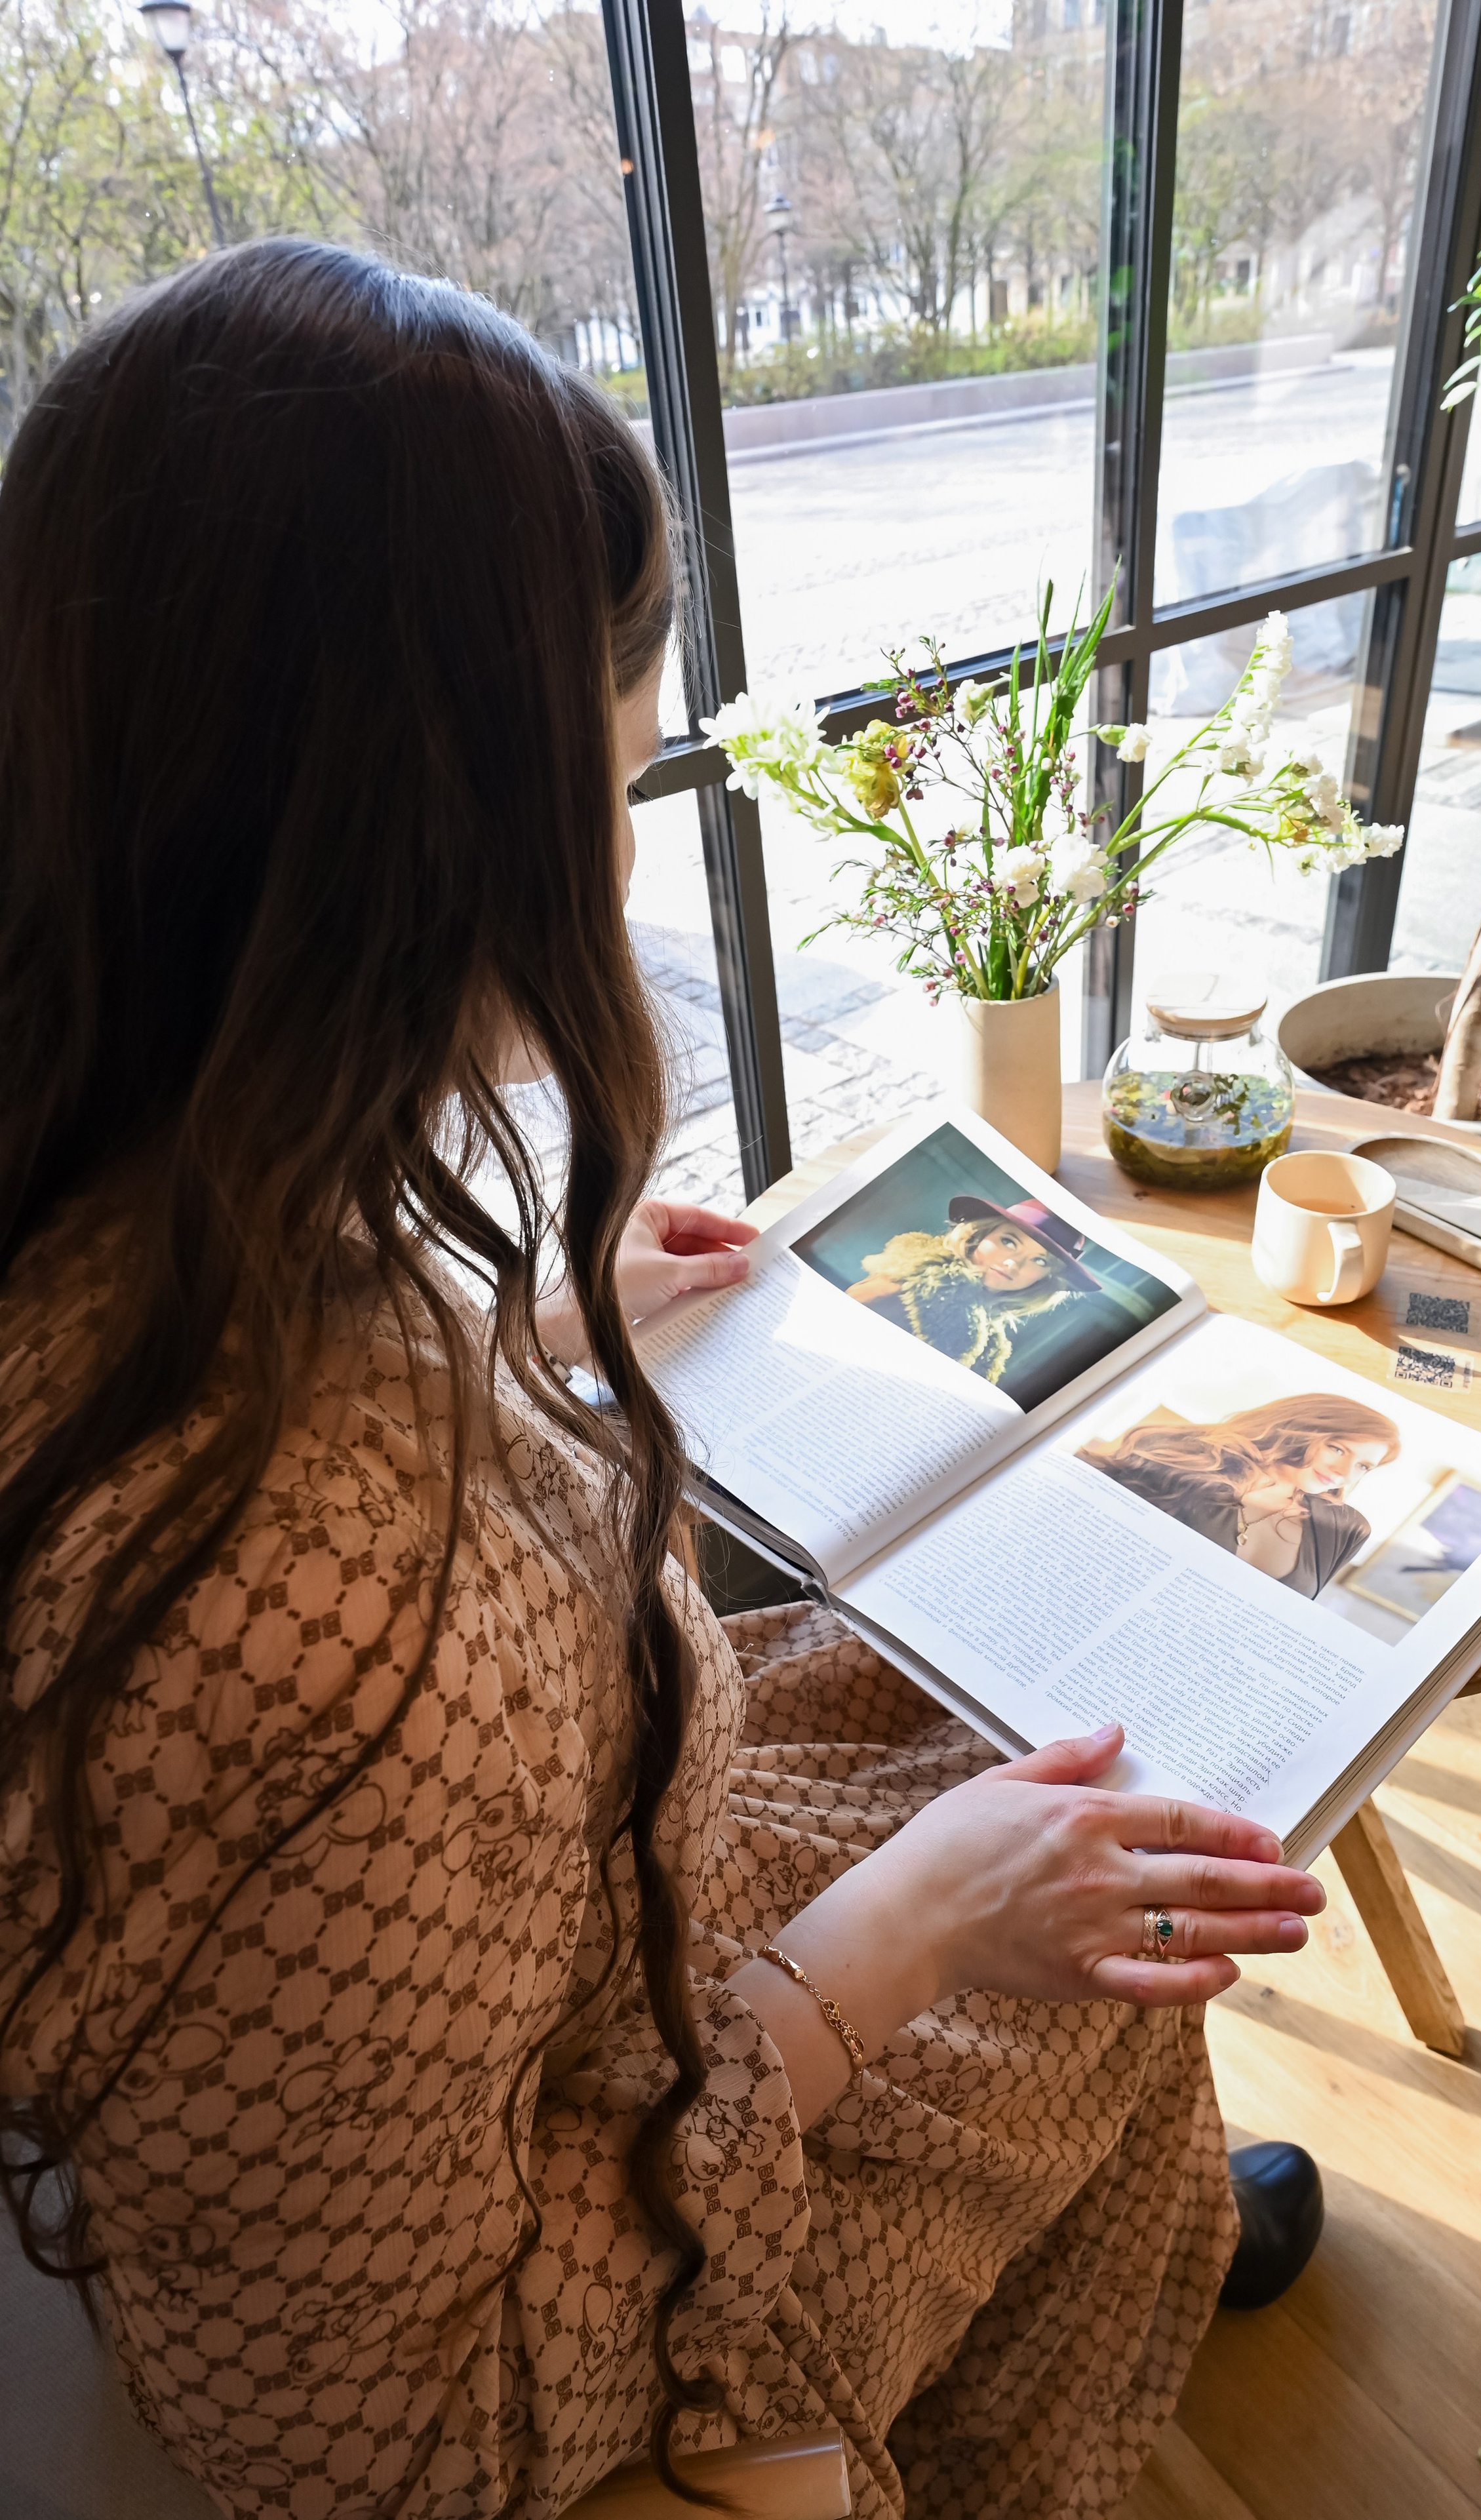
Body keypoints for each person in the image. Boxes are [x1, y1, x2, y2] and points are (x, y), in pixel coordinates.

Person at [0, 241, 1327, 2520]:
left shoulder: (116, 1167)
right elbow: (391, 2438)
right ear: (412, 858)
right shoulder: (312, 1623)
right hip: (586, 2214)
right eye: (605, 791)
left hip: (594, 1901)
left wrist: (497, 1318)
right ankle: (1044, 2359)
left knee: (1072, 1772)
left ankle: (1124, 2237)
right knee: (1112, 1908)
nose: (619, 863)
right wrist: (902, 1933)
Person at [1082, 1396, 1402, 1599]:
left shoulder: (1342, 1529)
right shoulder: (1182, 1461)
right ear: (1299, 1428)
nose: (1344, 1472)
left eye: (1363, 1466)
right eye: (1337, 1449)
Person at [844, 1195, 1101, 1394]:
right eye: (1009, 1242)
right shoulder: (900, 1290)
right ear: (979, 1235)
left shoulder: (988, 1337)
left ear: (1045, 1279)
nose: (1013, 1264)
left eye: (1040, 1261)